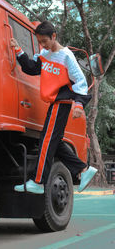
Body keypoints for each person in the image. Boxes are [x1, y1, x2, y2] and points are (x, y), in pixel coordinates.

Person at [10, 20, 97, 194]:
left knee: (47, 141)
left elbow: (80, 81)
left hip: (62, 103)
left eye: (45, 41)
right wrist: (18, 50)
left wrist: (79, 105)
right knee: (54, 142)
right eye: (40, 42)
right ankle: (83, 170)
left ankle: (38, 181)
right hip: (54, 103)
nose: (42, 45)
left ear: (54, 36)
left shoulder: (66, 56)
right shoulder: (45, 54)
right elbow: (31, 68)